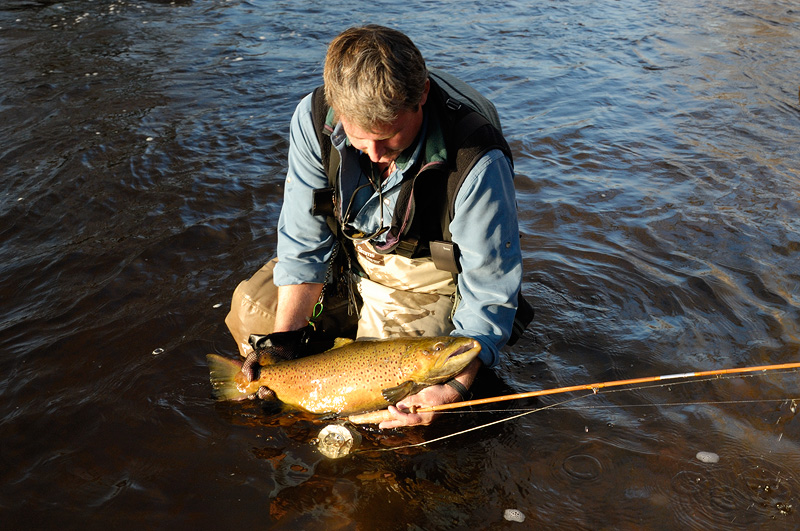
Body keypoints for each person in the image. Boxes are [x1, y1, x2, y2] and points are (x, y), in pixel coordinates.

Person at [225, 25, 527, 428]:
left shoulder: (477, 160)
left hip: (428, 277)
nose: (375, 155)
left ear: (421, 95)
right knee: (254, 315)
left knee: (391, 400)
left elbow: (489, 292)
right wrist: (283, 345)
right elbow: (304, 239)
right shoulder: (313, 119)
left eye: (390, 140)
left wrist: (454, 388)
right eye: (359, 140)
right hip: (352, 256)